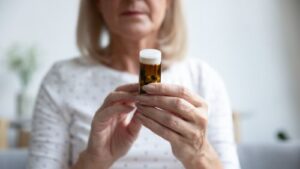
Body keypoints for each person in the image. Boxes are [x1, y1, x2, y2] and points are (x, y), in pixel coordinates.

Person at [27, 0, 240, 169]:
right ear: (97, 3)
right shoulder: (62, 79)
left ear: (169, 2)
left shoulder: (203, 79)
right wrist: (93, 161)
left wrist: (199, 156)